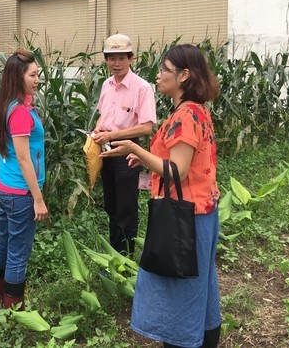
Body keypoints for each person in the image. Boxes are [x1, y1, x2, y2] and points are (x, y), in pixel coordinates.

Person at [100, 44, 222, 348]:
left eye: (165, 69)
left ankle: (184, 341)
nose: (158, 75)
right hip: (199, 213)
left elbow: (177, 171)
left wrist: (134, 148)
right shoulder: (196, 111)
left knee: (178, 293)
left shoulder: (185, 116)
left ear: (183, 75)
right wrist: (145, 159)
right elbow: (183, 164)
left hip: (184, 218)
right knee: (200, 290)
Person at [0, 49, 48, 311]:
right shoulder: (20, 112)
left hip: (4, 186)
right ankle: (14, 312)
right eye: (33, 75)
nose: (37, 79)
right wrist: (38, 199)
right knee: (18, 253)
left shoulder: (6, 104)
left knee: (4, 242)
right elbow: (24, 159)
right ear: (18, 77)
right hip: (20, 193)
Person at [92, 33, 157, 255]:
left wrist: (113, 135)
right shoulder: (106, 84)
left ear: (131, 58)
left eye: (121, 58)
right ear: (106, 60)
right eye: (111, 58)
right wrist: (99, 128)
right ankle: (114, 252)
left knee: (126, 208)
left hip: (129, 151)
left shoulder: (142, 87)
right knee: (111, 204)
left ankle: (126, 259)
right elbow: (103, 115)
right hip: (106, 149)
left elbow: (147, 126)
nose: (116, 63)